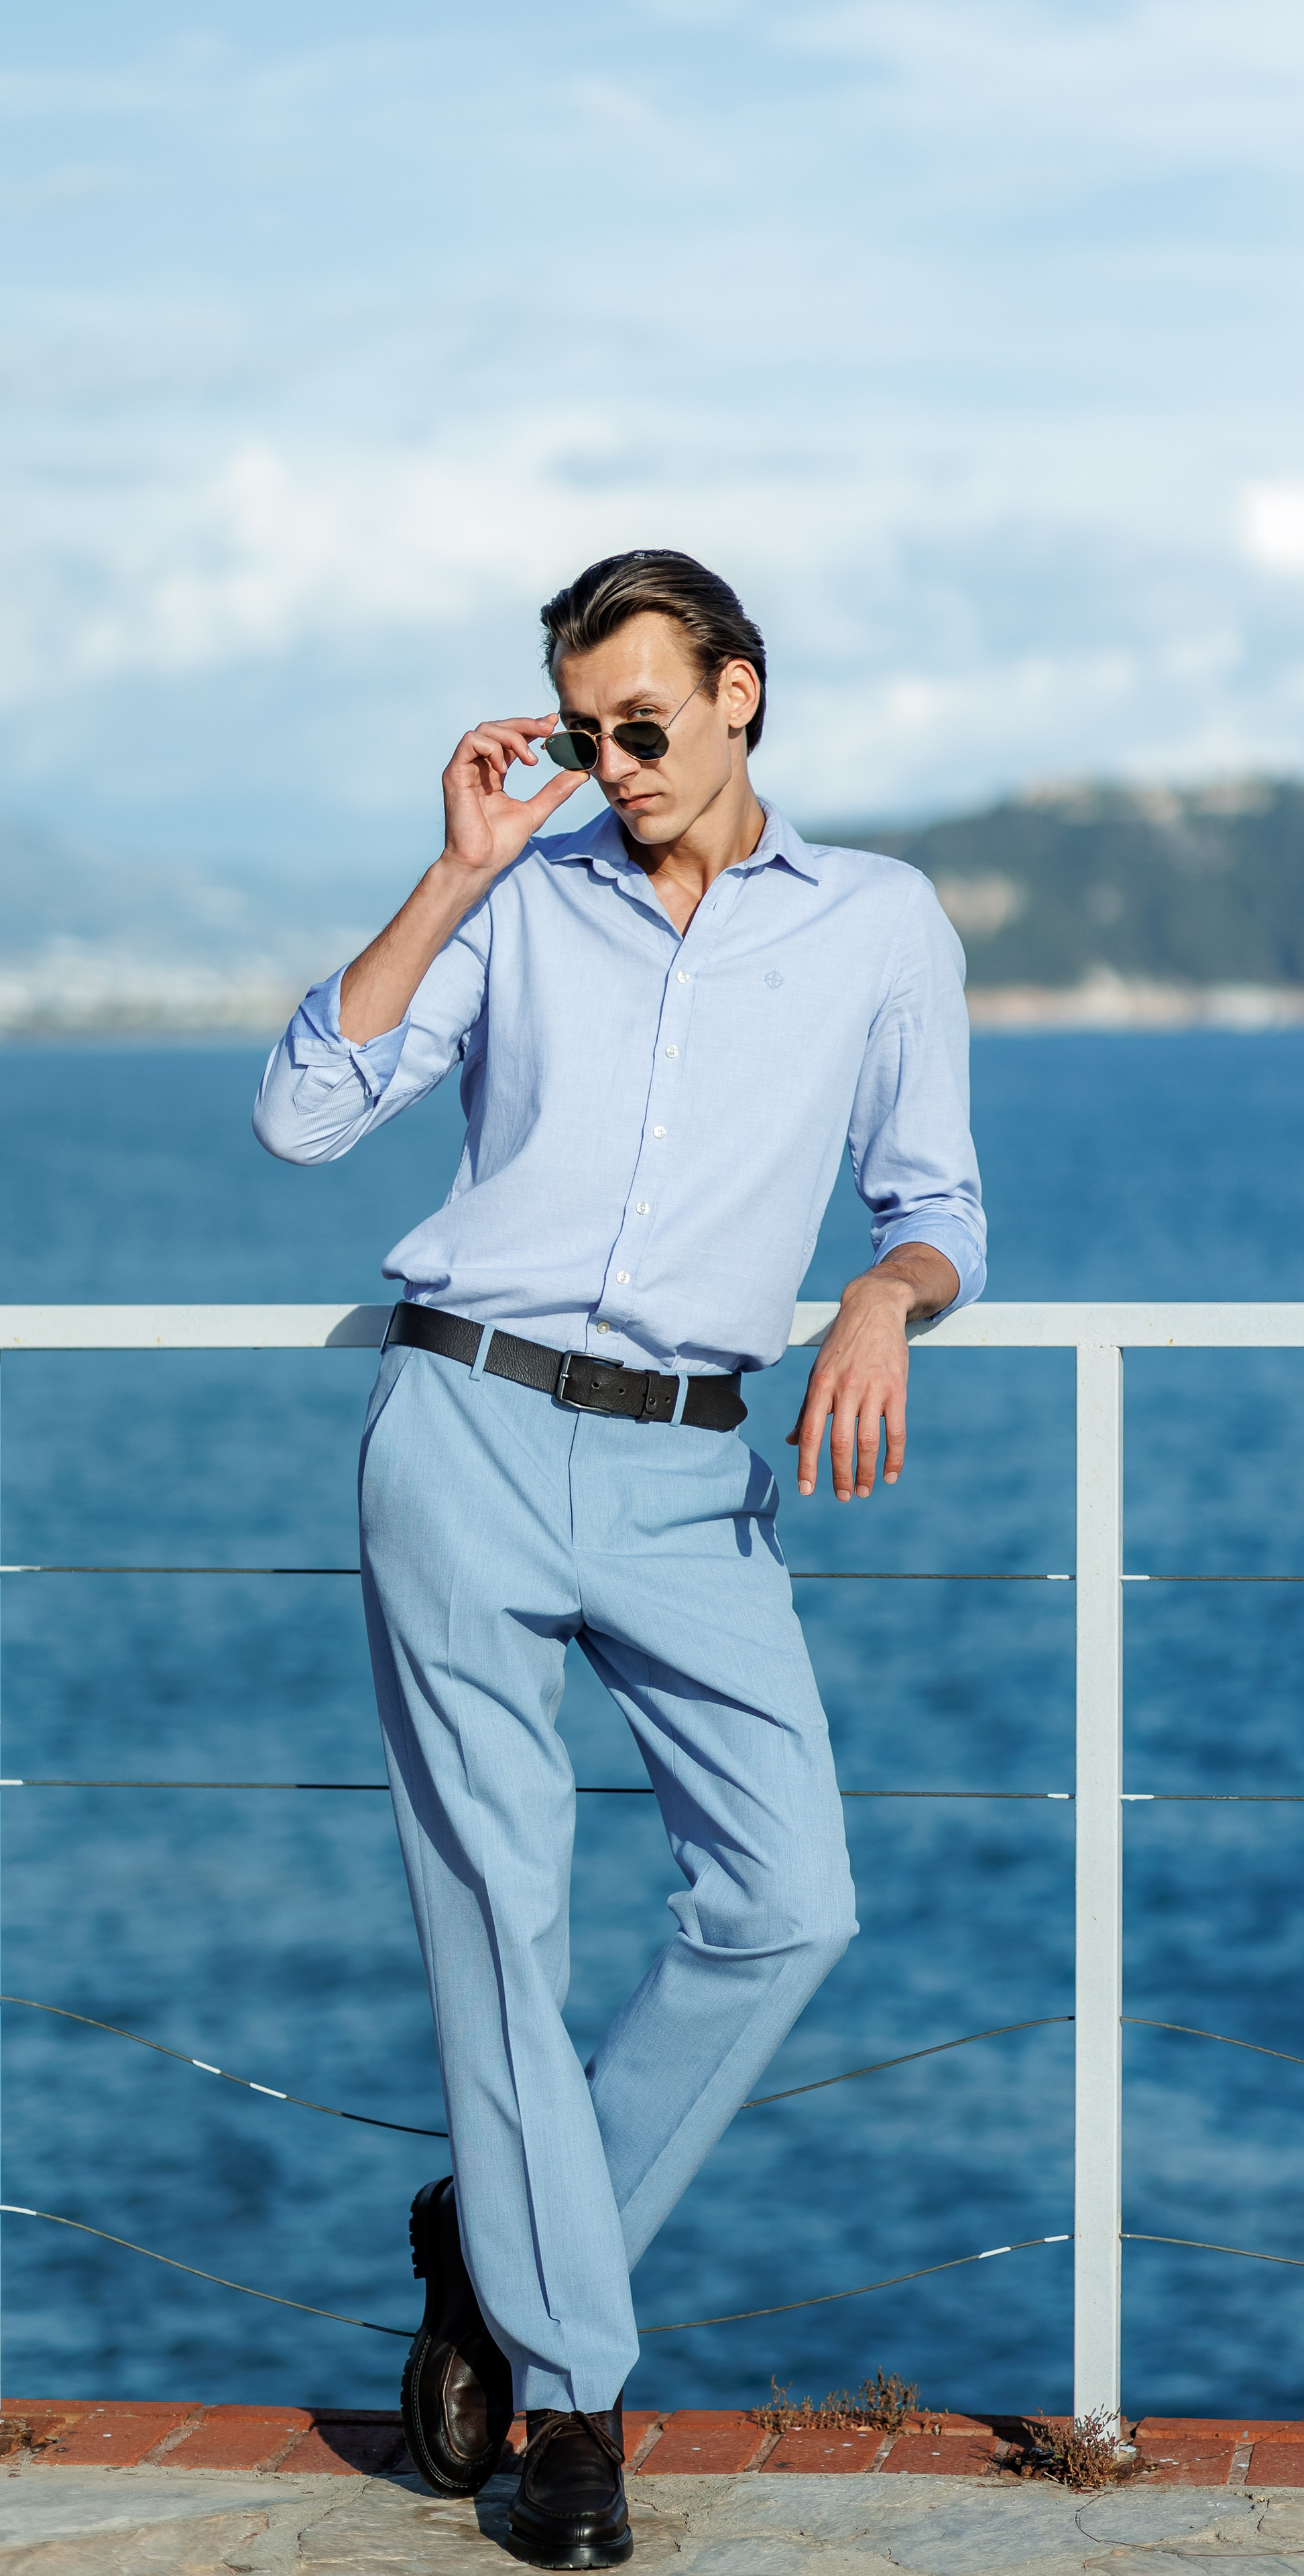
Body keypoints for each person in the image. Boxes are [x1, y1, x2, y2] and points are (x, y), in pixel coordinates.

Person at [253, 549, 986, 2570]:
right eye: (583, 730)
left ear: (741, 693)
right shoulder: (526, 903)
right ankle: (573, 2404)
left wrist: (877, 1302)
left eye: (643, 722)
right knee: (503, 1916)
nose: (612, 760)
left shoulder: (878, 926)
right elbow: (305, 1115)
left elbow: (943, 1208)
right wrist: (459, 873)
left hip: (690, 1471)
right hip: (465, 1429)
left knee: (789, 1896)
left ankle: (502, 2254)